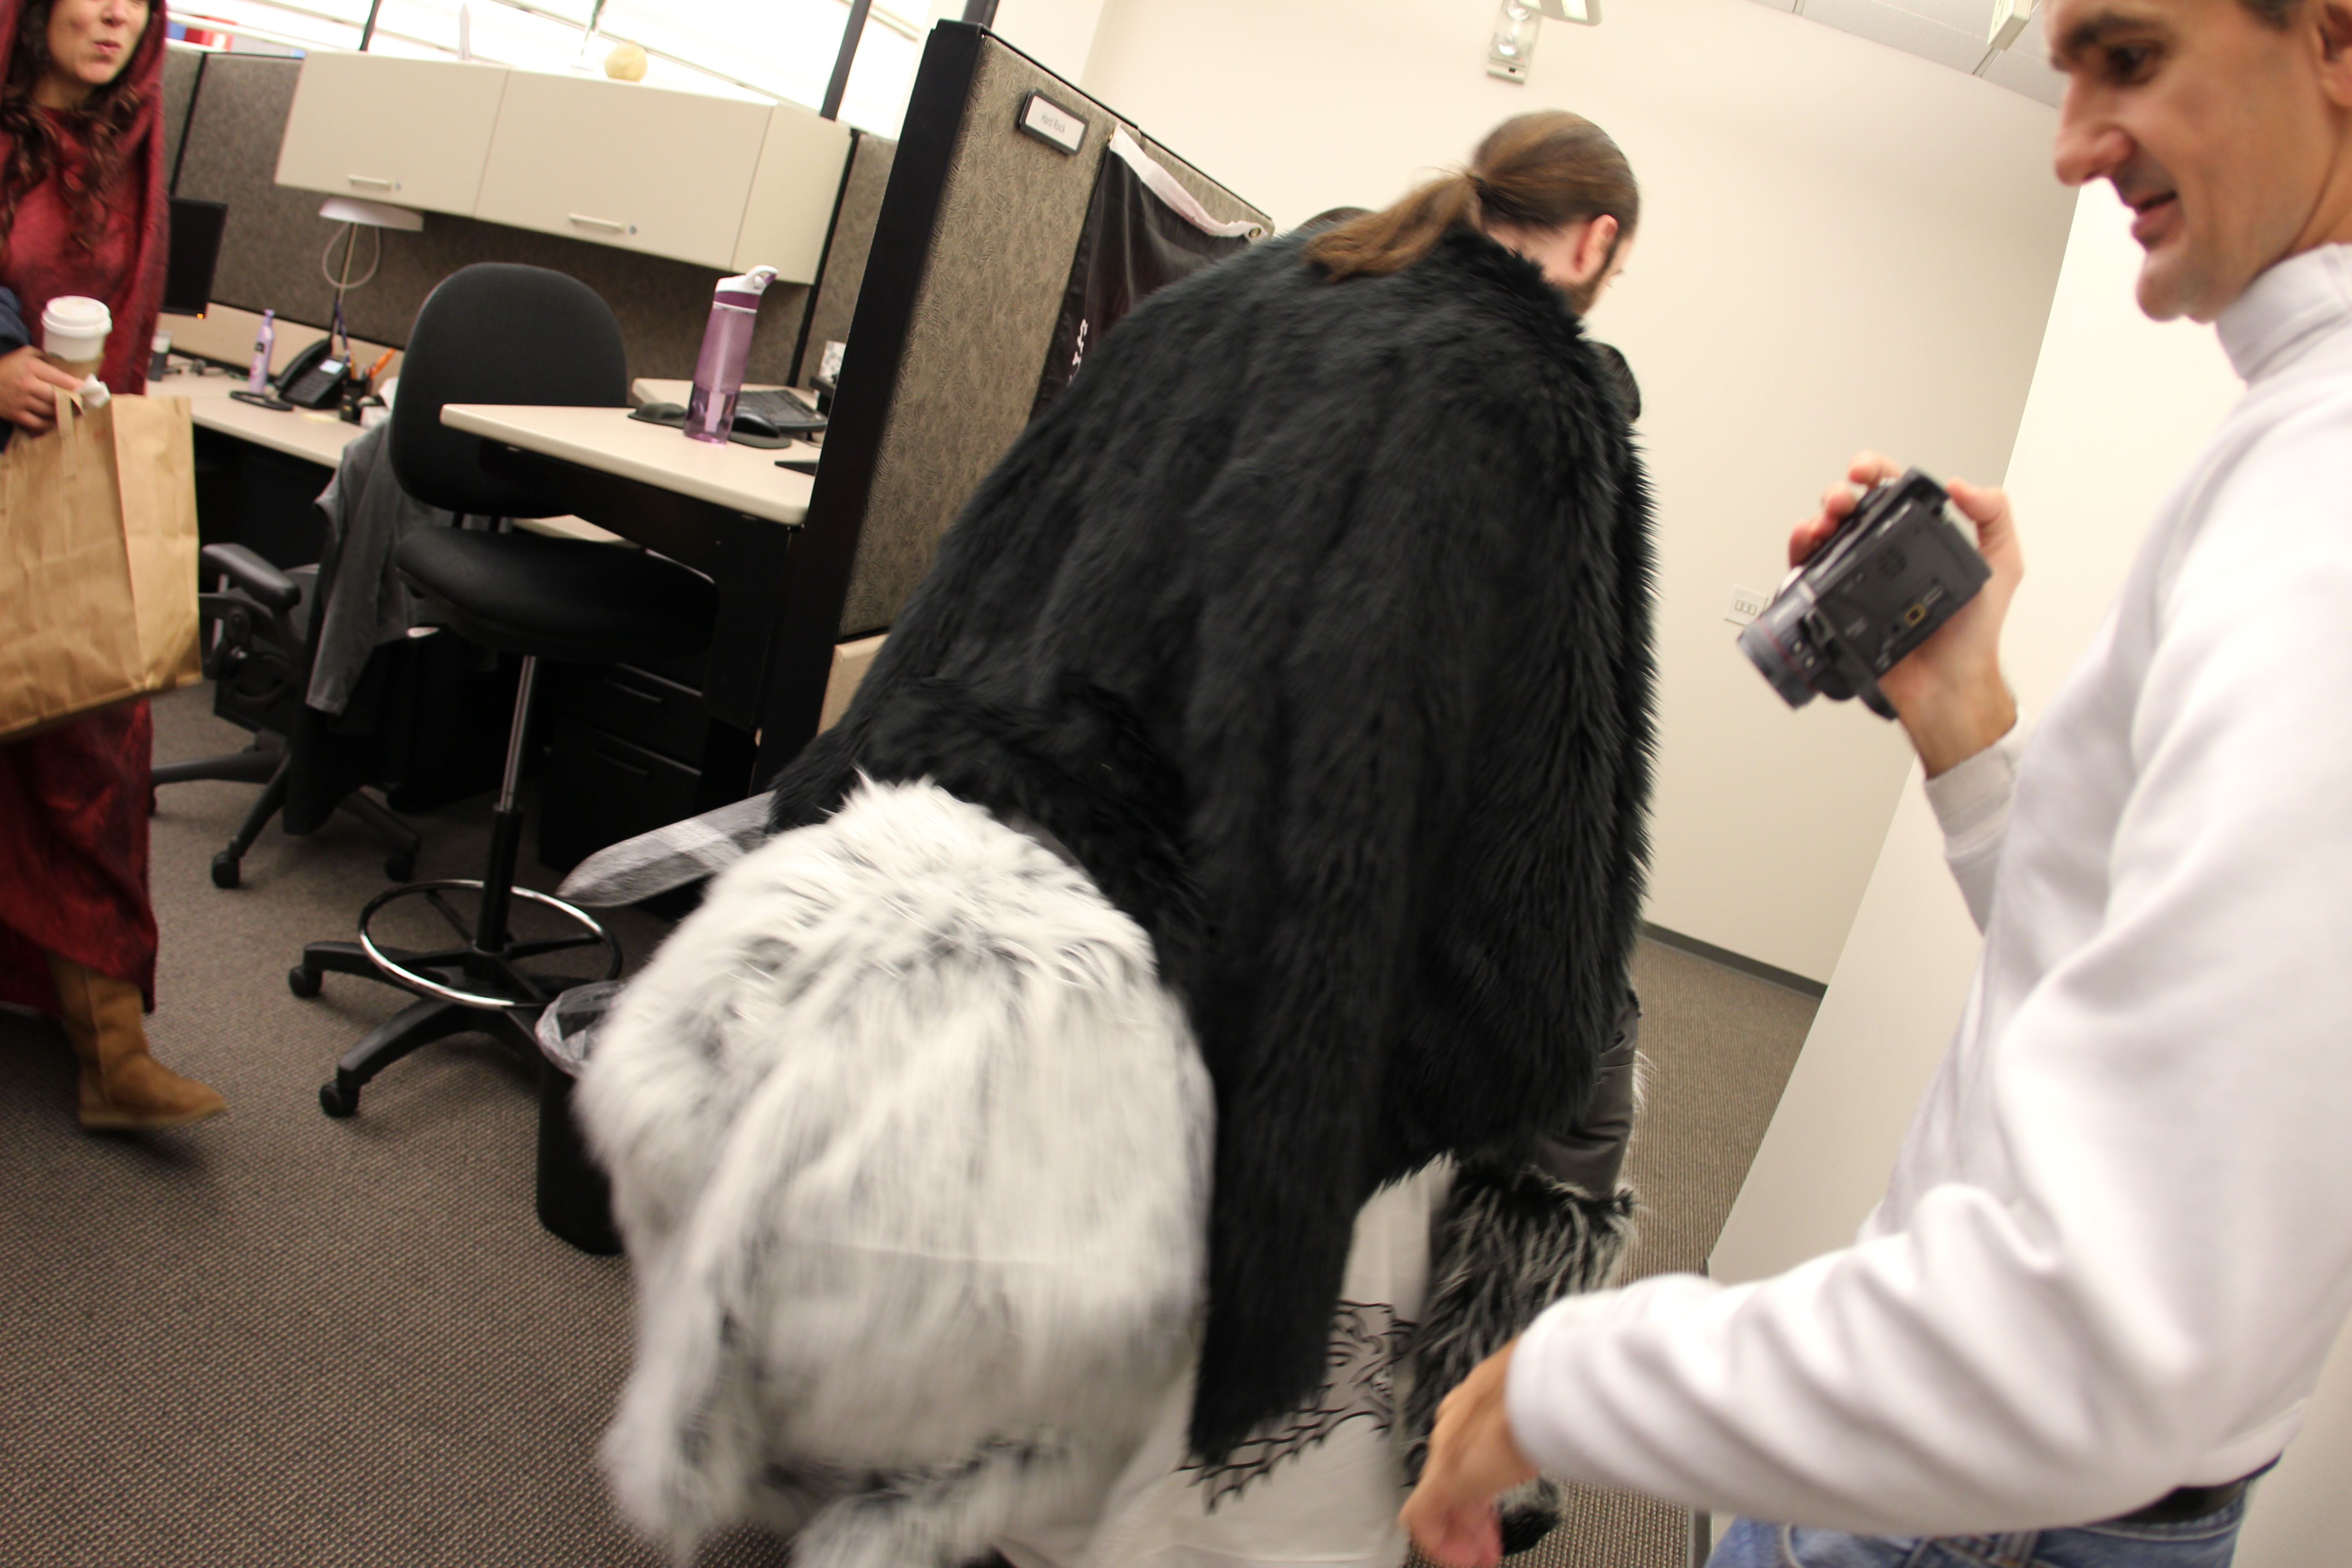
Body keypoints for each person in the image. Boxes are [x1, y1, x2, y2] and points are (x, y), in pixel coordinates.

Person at [574, 111, 1653, 1568]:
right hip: (1251, 940)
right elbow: (1544, 818)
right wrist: (1525, 1058)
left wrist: (856, 795)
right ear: (1598, 243)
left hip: (1019, 860)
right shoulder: (1545, 397)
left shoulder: (1246, 287)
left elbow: (995, 561)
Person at [1401, 0, 2352, 1563]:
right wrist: (1962, 710)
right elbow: (2096, 959)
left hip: (1996, 1497)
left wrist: (1566, 1378)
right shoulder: (2282, 443)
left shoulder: (2320, 513)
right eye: (2061, 72)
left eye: (2129, 58)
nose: (2070, 147)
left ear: (2331, 39)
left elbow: (2120, 1323)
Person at [0, 0, 225, 1129]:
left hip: (66, 477)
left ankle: (111, 1052)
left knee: (89, 739)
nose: (113, 16)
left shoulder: (125, 152)